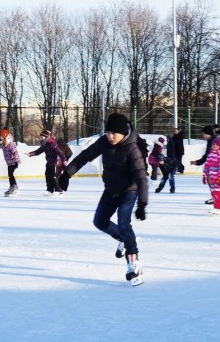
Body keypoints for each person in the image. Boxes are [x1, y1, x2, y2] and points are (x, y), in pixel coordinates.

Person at [62, 113, 147, 286]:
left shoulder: (132, 148)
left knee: (124, 221)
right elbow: (85, 156)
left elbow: (141, 176)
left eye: (114, 133)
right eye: (108, 132)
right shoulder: (104, 142)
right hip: (111, 189)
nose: (111, 136)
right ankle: (123, 238)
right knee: (99, 221)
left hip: (130, 190)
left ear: (123, 132)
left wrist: (142, 203)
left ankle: (133, 263)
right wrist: (67, 173)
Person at [26, 129, 67, 196]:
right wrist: (30, 154)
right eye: (41, 137)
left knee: (54, 176)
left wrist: (64, 160)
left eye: (42, 137)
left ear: (47, 137)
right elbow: (38, 151)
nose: (41, 138)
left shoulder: (52, 143)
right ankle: (50, 190)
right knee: (47, 175)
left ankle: (58, 190)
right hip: (49, 161)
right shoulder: (45, 144)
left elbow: (60, 152)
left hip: (55, 162)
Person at [0, 127, 21, 196]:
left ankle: (14, 187)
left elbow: (15, 152)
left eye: (1, 136)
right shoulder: (3, 142)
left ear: (4, 136)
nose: (0, 137)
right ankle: (12, 187)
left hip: (14, 161)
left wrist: (16, 160)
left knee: (10, 175)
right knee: (10, 175)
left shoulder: (10, 143)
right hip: (9, 162)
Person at [203, 135, 220, 215]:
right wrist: (204, 175)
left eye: (216, 145)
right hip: (212, 177)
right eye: (213, 144)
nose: (214, 146)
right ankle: (217, 207)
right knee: (214, 193)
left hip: (219, 177)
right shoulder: (210, 154)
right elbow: (207, 165)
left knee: (219, 193)